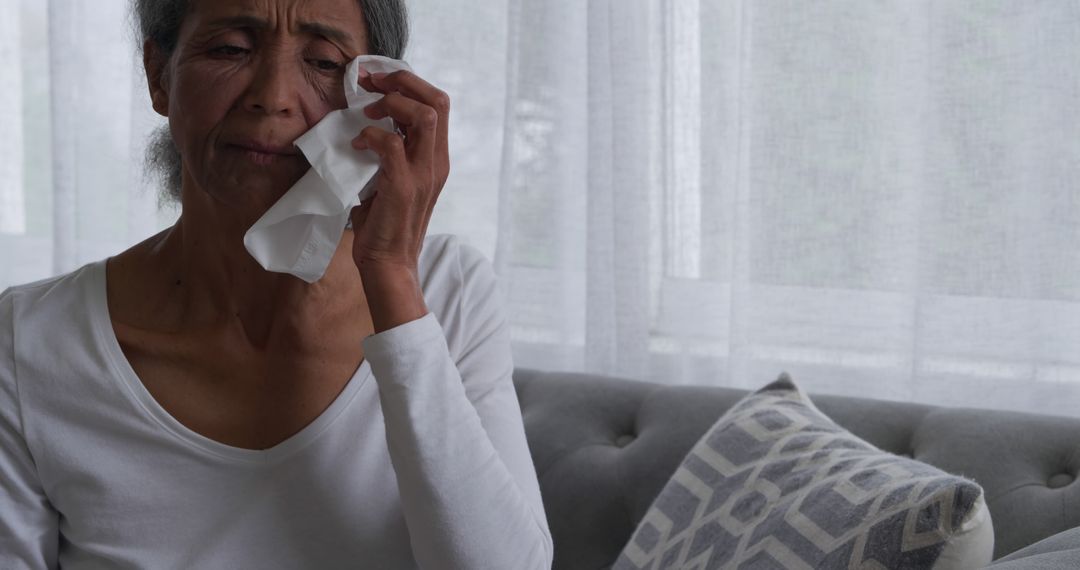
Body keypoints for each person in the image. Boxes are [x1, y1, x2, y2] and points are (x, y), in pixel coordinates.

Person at [0, 0, 553, 568]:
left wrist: (391, 275)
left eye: (322, 62)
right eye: (231, 50)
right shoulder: (29, 343)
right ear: (158, 76)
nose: (274, 95)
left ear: (375, 99)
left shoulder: (447, 292)